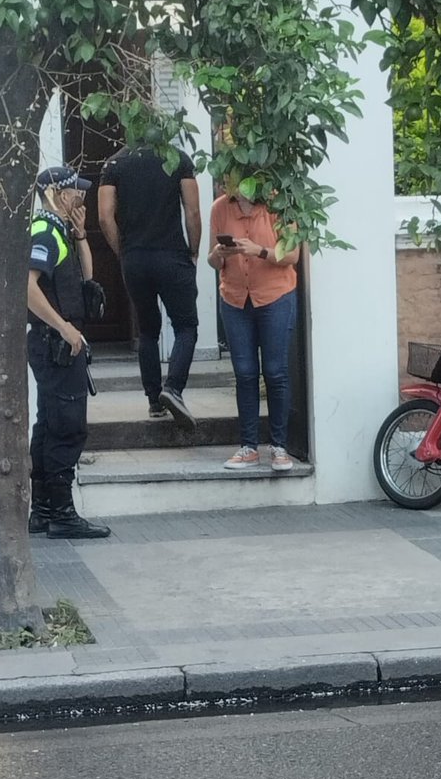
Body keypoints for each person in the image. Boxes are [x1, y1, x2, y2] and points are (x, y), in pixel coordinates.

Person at [26, 166, 110, 539]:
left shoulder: (61, 231)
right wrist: (63, 326)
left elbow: (86, 280)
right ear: (54, 195)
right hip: (55, 343)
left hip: (60, 343)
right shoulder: (44, 229)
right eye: (74, 191)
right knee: (66, 426)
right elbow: (27, 287)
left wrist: (80, 235)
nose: (81, 197)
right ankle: (61, 513)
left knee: (50, 424)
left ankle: (43, 510)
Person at [98, 142, 201, 428]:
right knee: (185, 326)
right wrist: (193, 251)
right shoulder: (177, 158)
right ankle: (174, 389)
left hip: (135, 259)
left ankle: (154, 401)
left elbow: (105, 216)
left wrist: (124, 251)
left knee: (147, 330)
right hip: (172, 256)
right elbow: (192, 211)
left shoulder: (114, 163)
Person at [207, 183, 300, 472]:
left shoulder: (278, 202)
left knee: (275, 371)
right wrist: (221, 253)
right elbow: (212, 262)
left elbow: (292, 255)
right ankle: (248, 447)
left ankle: (279, 447)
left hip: (275, 296)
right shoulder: (220, 207)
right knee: (245, 373)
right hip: (235, 299)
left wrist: (259, 251)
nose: (230, 182)